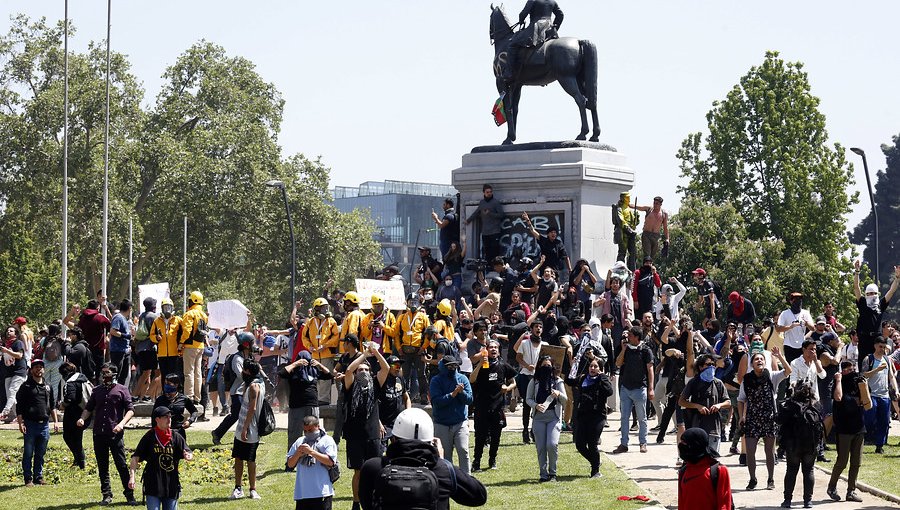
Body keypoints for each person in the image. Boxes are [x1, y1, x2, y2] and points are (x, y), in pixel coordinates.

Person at [358, 407, 487, 510]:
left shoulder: (373, 468)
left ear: (393, 439)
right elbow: (479, 495)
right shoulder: (443, 470)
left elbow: (367, 504)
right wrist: (442, 461)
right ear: (431, 441)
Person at [77, 363, 136, 506]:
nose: (104, 376)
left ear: (114, 374)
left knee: (121, 464)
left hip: (115, 433)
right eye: (102, 373)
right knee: (102, 466)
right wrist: (82, 418)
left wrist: (121, 424)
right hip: (99, 433)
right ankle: (106, 495)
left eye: (107, 373)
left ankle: (129, 495)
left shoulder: (122, 390)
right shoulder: (97, 390)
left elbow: (130, 410)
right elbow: (88, 408)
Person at [737, 347, 790, 491]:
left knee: (769, 451)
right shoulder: (746, 380)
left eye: (761, 359)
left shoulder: (772, 376)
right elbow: (741, 400)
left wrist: (779, 356)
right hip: (752, 419)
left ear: (765, 362)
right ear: (752, 364)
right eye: (756, 359)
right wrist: (742, 416)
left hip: (769, 418)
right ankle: (752, 479)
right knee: (750, 450)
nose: (759, 360)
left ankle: (770, 479)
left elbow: (788, 371)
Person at [128, 406, 193, 510]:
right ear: (157, 419)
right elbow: (135, 458)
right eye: (165, 417)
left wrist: (188, 456)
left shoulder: (176, 436)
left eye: (170, 416)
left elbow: (187, 450)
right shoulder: (149, 436)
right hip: (153, 484)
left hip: (171, 484)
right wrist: (132, 477)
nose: (169, 419)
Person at [342, 352, 384, 510]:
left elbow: (385, 368)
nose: (364, 372)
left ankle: (373, 500)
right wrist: (365, 354)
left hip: (373, 436)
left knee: (375, 471)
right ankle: (356, 502)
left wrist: (376, 353)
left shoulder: (375, 385)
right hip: (355, 436)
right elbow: (347, 371)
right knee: (358, 473)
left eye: (367, 370)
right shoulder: (350, 385)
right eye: (360, 370)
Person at [469, 339, 516, 472]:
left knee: (496, 435)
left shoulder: (503, 365)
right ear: (486, 350)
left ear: (499, 350)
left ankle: (492, 459)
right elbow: (472, 379)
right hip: (482, 406)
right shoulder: (480, 365)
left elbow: (513, 382)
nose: (494, 349)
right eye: (491, 347)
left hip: (497, 407)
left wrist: (507, 388)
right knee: (480, 436)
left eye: (496, 347)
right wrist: (480, 364)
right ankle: (476, 461)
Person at [827, 362, 869, 503]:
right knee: (842, 461)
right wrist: (838, 380)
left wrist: (864, 385)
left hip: (859, 428)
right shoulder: (838, 383)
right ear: (842, 372)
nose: (852, 372)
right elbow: (838, 397)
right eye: (848, 370)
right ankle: (832, 487)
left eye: (853, 369)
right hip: (844, 429)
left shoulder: (858, 382)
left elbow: (867, 402)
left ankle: (851, 491)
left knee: (856, 462)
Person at [279, 350, 333, 461]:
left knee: (314, 432)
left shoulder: (313, 370)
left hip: (312, 405)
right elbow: (281, 373)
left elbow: (329, 375)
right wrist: (296, 364)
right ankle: (292, 460)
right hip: (296, 406)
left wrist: (319, 364)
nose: (305, 362)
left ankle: (313, 457)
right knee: (294, 433)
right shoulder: (293, 371)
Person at [777, 382, 823, 509]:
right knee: (809, 470)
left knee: (791, 470)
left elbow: (779, 420)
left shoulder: (790, 405)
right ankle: (808, 501)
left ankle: (787, 501)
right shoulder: (816, 405)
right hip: (811, 445)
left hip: (793, 445)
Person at [16, 358, 59, 486]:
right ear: (31, 370)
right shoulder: (25, 386)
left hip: (44, 425)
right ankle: (28, 478)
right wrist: (20, 423)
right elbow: (19, 407)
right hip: (30, 424)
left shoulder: (48, 386)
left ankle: (38, 477)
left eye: (41, 367)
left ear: (44, 369)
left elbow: (52, 405)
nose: (38, 369)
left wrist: (56, 422)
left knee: (41, 453)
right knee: (28, 453)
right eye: (36, 367)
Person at [613, 326, 654, 454]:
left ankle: (643, 443)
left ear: (636, 337)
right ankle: (623, 444)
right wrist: (624, 349)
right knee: (624, 417)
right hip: (625, 388)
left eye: (630, 335)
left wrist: (651, 388)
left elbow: (650, 370)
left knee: (642, 418)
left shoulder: (646, 350)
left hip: (640, 388)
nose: (627, 337)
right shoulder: (626, 348)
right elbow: (618, 363)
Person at [501, 0, 564, 83]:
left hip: (536, 28)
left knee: (513, 44)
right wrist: (555, 27)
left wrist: (521, 20)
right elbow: (560, 15)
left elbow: (523, 13)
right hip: (549, 29)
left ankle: (509, 72)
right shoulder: (552, 1)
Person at [430, 355, 473, 474]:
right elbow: (436, 402)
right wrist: (453, 394)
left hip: (460, 422)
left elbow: (469, 400)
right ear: (443, 367)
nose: (452, 368)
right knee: (444, 455)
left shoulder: (463, 379)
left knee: (463, 450)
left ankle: (466, 478)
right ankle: (447, 478)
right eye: (449, 366)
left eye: (455, 366)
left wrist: (461, 392)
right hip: (442, 424)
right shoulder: (436, 381)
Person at [525, 355, 566, 482]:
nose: (546, 368)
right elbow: (528, 399)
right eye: (544, 366)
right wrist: (535, 405)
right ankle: (543, 474)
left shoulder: (558, 381)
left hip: (553, 417)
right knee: (541, 447)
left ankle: (553, 473)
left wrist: (559, 394)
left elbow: (565, 400)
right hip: (539, 418)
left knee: (552, 444)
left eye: (549, 366)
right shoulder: (534, 381)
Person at [679, 354, 730, 454]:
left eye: (713, 364)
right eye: (708, 364)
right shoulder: (694, 382)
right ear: (701, 367)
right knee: (697, 458)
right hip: (697, 428)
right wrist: (697, 406)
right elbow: (681, 401)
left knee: (712, 459)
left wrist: (719, 405)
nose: (711, 367)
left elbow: (728, 402)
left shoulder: (718, 383)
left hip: (714, 428)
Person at [853, 262, 900, 370]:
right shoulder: (863, 303)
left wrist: (897, 277)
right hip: (864, 339)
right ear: (866, 295)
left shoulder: (880, 305)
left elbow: (891, 291)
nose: (871, 296)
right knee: (863, 368)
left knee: (878, 366)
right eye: (869, 294)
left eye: (874, 293)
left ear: (877, 294)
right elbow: (856, 287)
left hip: (877, 339)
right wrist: (857, 272)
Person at [571, 357, 613, 478]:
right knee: (579, 444)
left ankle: (595, 471)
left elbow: (609, 391)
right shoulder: (583, 378)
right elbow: (569, 381)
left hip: (597, 415)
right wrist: (574, 365)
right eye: (591, 366)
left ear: (600, 369)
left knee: (592, 443)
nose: (592, 369)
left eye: (595, 367)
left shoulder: (602, 379)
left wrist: (602, 377)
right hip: (583, 414)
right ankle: (595, 461)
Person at [212, 333, 255, 446]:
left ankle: (249, 436)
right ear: (246, 344)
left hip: (247, 391)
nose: (253, 345)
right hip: (237, 392)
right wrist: (251, 373)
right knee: (236, 415)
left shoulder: (249, 357)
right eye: (251, 343)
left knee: (249, 413)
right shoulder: (237, 358)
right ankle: (217, 433)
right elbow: (241, 375)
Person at [286, 415, 337, 510]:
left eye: (310, 430)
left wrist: (311, 452)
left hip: (322, 493)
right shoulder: (300, 441)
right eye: (305, 431)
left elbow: (330, 462)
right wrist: (297, 454)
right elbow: (290, 464)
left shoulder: (327, 440)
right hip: (302, 494)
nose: (307, 433)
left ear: (317, 426)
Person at [231, 359, 264, 500]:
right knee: (238, 458)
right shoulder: (255, 383)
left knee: (250, 460)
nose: (242, 372)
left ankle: (252, 489)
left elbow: (253, 408)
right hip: (244, 428)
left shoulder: (254, 387)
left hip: (249, 429)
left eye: (244, 369)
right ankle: (238, 488)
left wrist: (245, 429)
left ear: (248, 372)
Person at [676, 427, 733, 510]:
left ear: (695, 445)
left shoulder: (718, 471)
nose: (681, 445)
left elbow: (724, 504)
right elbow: (681, 504)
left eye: (684, 443)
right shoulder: (683, 471)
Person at [392, 293, 431, 403]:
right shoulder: (402, 317)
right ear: (407, 303)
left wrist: (423, 348)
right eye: (411, 302)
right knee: (405, 375)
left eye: (415, 302)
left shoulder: (423, 317)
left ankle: (423, 395)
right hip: (405, 351)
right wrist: (399, 348)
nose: (413, 304)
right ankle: (406, 395)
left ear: (419, 303)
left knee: (421, 374)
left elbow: (428, 334)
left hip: (418, 350)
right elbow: (396, 334)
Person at [861, 335, 897, 453]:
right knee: (869, 419)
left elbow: (891, 376)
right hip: (872, 394)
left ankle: (879, 445)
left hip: (885, 395)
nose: (882, 349)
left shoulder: (887, 359)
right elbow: (864, 375)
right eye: (880, 346)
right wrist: (877, 370)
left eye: (884, 347)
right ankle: (863, 439)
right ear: (875, 346)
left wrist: (896, 389)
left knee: (884, 421)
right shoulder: (869, 359)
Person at [302, 298, 340, 405]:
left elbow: (335, 337)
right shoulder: (310, 322)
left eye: (326, 308)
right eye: (323, 308)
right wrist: (309, 347)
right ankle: (316, 397)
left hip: (327, 354)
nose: (326, 310)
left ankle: (323, 399)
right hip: (314, 354)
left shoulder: (331, 321)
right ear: (317, 309)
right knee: (315, 377)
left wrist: (325, 345)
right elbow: (304, 337)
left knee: (325, 378)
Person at [516, 319, 546, 444]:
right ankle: (525, 430)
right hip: (526, 375)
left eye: (540, 327)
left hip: (539, 377)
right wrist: (526, 365)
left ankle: (535, 430)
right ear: (532, 329)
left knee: (538, 404)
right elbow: (518, 357)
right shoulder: (524, 343)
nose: (538, 329)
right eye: (536, 327)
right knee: (527, 404)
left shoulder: (545, 344)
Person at [59, 361, 91, 469]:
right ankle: (78, 460)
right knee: (77, 438)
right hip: (85, 411)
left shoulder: (71, 382)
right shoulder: (84, 379)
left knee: (68, 437)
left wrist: (63, 404)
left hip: (74, 413)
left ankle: (80, 460)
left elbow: (70, 398)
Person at [179, 291, 208, 404]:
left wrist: (181, 343)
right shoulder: (204, 315)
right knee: (198, 373)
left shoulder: (189, 314)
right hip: (200, 346)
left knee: (189, 372)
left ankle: (189, 397)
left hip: (190, 346)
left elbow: (187, 331)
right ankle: (197, 397)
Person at [522, 211, 572, 276]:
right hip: (544, 270)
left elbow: (565, 256)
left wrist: (570, 269)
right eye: (551, 232)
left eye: (555, 232)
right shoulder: (544, 240)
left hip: (554, 271)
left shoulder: (558, 243)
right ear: (548, 234)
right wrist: (527, 220)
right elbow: (533, 231)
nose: (553, 234)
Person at [465, 184, 505, 261]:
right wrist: (468, 220)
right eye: (487, 192)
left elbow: (502, 215)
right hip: (485, 232)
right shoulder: (482, 203)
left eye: (490, 192)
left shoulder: (495, 202)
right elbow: (476, 212)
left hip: (495, 231)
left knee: (494, 251)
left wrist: (490, 214)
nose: (489, 193)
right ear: (484, 193)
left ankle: (495, 267)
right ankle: (488, 267)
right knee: (486, 251)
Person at [154, 373, 199, 440]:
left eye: (169, 384)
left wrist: (190, 421)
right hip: (163, 432)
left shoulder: (183, 399)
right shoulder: (160, 400)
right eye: (165, 384)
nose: (166, 386)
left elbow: (194, 411)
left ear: (176, 385)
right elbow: (154, 417)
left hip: (178, 431)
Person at [132, 297, 160, 403]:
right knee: (158, 373)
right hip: (150, 348)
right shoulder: (153, 317)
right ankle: (147, 395)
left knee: (145, 373)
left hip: (141, 348)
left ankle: (135, 396)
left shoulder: (142, 316)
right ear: (153, 306)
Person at [777, 292, 815, 362]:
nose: (798, 302)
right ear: (791, 301)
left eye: (800, 300)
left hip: (802, 345)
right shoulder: (785, 313)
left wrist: (806, 323)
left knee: (802, 366)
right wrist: (790, 327)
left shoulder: (805, 313)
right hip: (789, 345)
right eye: (796, 300)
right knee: (791, 367)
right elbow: (778, 329)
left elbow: (813, 328)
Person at [150, 299, 182, 380]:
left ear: (172, 308)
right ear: (162, 309)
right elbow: (151, 335)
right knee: (164, 375)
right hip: (162, 354)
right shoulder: (157, 321)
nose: (167, 310)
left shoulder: (178, 320)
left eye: (169, 307)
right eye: (165, 308)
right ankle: (165, 392)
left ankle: (174, 392)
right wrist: (156, 338)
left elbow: (184, 333)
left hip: (174, 353)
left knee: (174, 375)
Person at [1, 325, 28, 423]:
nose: (8, 332)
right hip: (9, 373)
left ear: (16, 334)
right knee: (10, 396)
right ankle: (19, 416)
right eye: (7, 330)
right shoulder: (6, 345)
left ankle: (5, 412)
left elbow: (20, 355)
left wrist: (6, 351)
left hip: (19, 371)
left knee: (12, 391)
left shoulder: (18, 343)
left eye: (11, 331)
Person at [109, 299, 134, 386]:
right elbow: (112, 331)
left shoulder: (124, 319)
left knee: (123, 375)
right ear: (129, 308)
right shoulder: (118, 317)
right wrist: (125, 336)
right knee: (116, 374)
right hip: (117, 351)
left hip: (125, 351)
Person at [613, 191, 639, 270]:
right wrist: (629, 229)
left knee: (633, 253)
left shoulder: (629, 209)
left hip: (631, 234)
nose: (629, 199)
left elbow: (635, 223)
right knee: (622, 253)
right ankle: (619, 269)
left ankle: (632, 270)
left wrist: (636, 217)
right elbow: (621, 221)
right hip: (623, 233)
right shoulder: (619, 209)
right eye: (627, 197)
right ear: (623, 199)